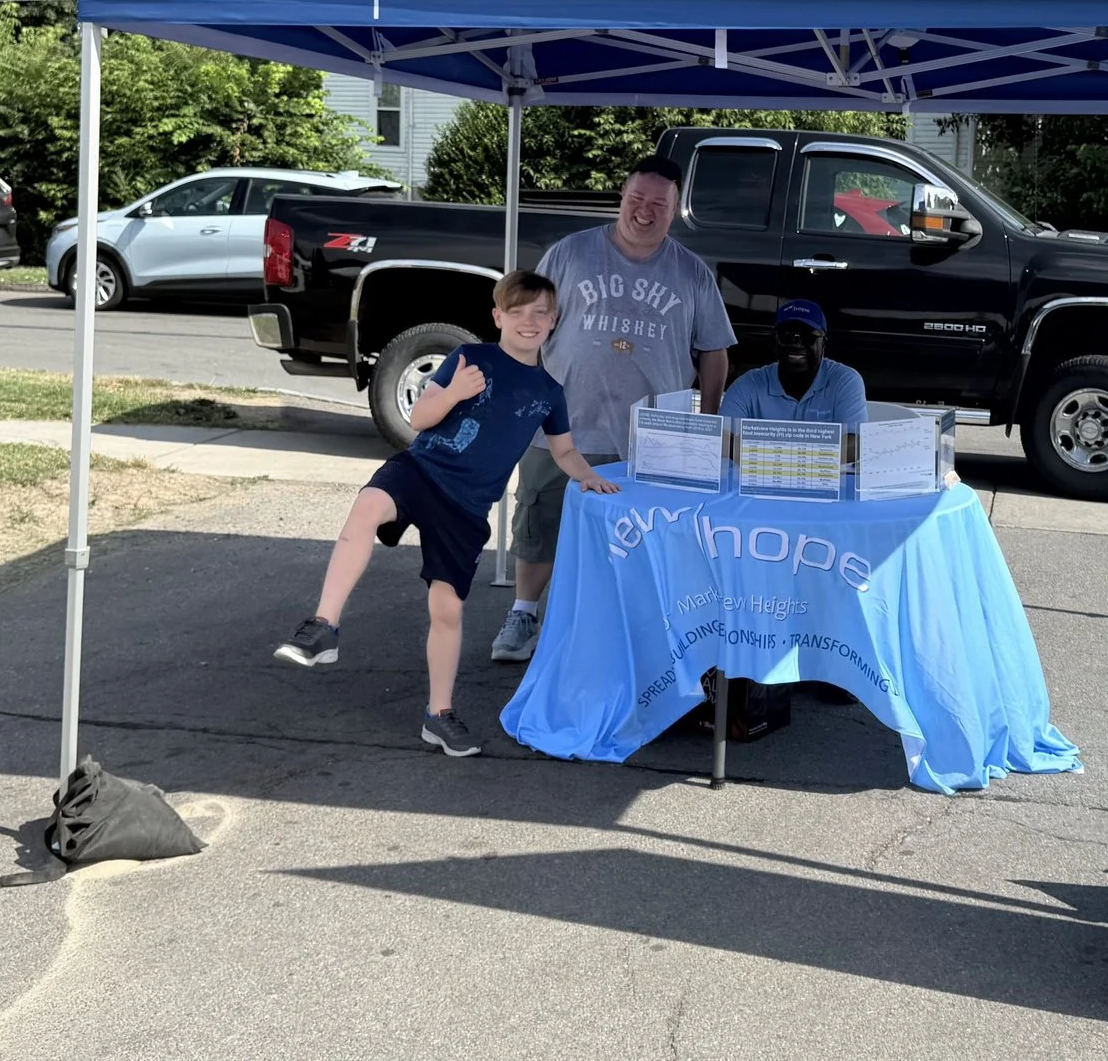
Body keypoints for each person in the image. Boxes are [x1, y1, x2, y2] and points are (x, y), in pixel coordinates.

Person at [273, 271, 617, 757]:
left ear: (554, 320)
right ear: (498, 317)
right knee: (368, 505)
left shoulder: (548, 391)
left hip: (466, 508)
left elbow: (563, 451)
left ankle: (439, 715)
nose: (529, 321)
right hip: (422, 471)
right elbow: (420, 418)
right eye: (517, 312)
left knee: (447, 609)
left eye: (540, 312)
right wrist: (454, 392)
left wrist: (587, 475)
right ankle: (323, 626)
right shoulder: (469, 358)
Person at [497, 154, 735, 663]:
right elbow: (528, 323)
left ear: (676, 209)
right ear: (621, 198)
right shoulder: (570, 254)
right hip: (562, 428)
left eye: (658, 204)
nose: (644, 212)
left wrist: (708, 422)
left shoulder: (691, 273)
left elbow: (713, 350)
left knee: (640, 540)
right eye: (635, 199)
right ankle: (523, 614)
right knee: (539, 520)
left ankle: (630, 629)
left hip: (651, 440)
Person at [717, 299, 869, 429]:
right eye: (787, 336)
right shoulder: (746, 386)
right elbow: (723, 440)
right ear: (775, 343)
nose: (797, 344)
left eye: (808, 337)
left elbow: (854, 444)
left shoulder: (845, 382)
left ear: (823, 345)